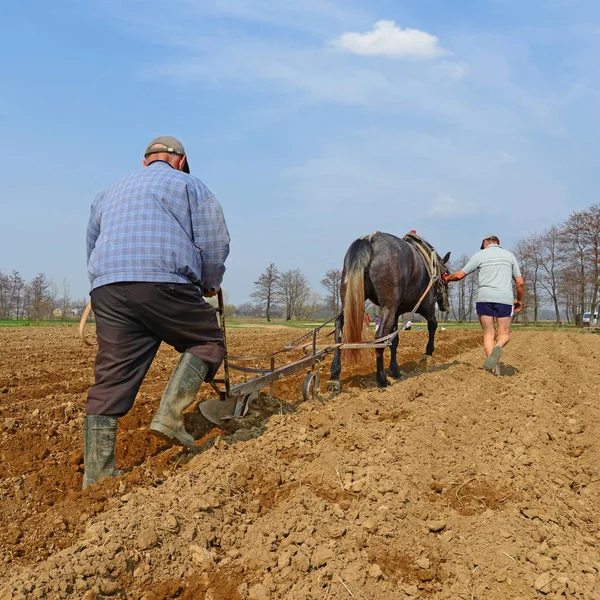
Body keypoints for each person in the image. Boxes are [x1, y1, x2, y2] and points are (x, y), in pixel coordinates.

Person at [84, 136, 230, 489]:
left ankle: (97, 475)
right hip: (164, 281)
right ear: (181, 161)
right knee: (207, 339)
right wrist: (210, 282)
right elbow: (214, 240)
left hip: (109, 287)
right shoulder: (189, 184)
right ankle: (169, 415)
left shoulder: (109, 191)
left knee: (112, 376)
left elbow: (92, 242)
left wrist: (103, 282)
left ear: (146, 160)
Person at [443, 234, 524, 373]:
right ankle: (498, 346)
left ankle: (494, 370)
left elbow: (460, 275)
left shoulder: (480, 255)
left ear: (486, 242)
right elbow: (520, 282)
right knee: (504, 334)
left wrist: (447, 279)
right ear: (498, 243)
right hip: (504, 299)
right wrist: (519, 300)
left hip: (484, 298)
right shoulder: (509, 256)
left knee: (488, 334)